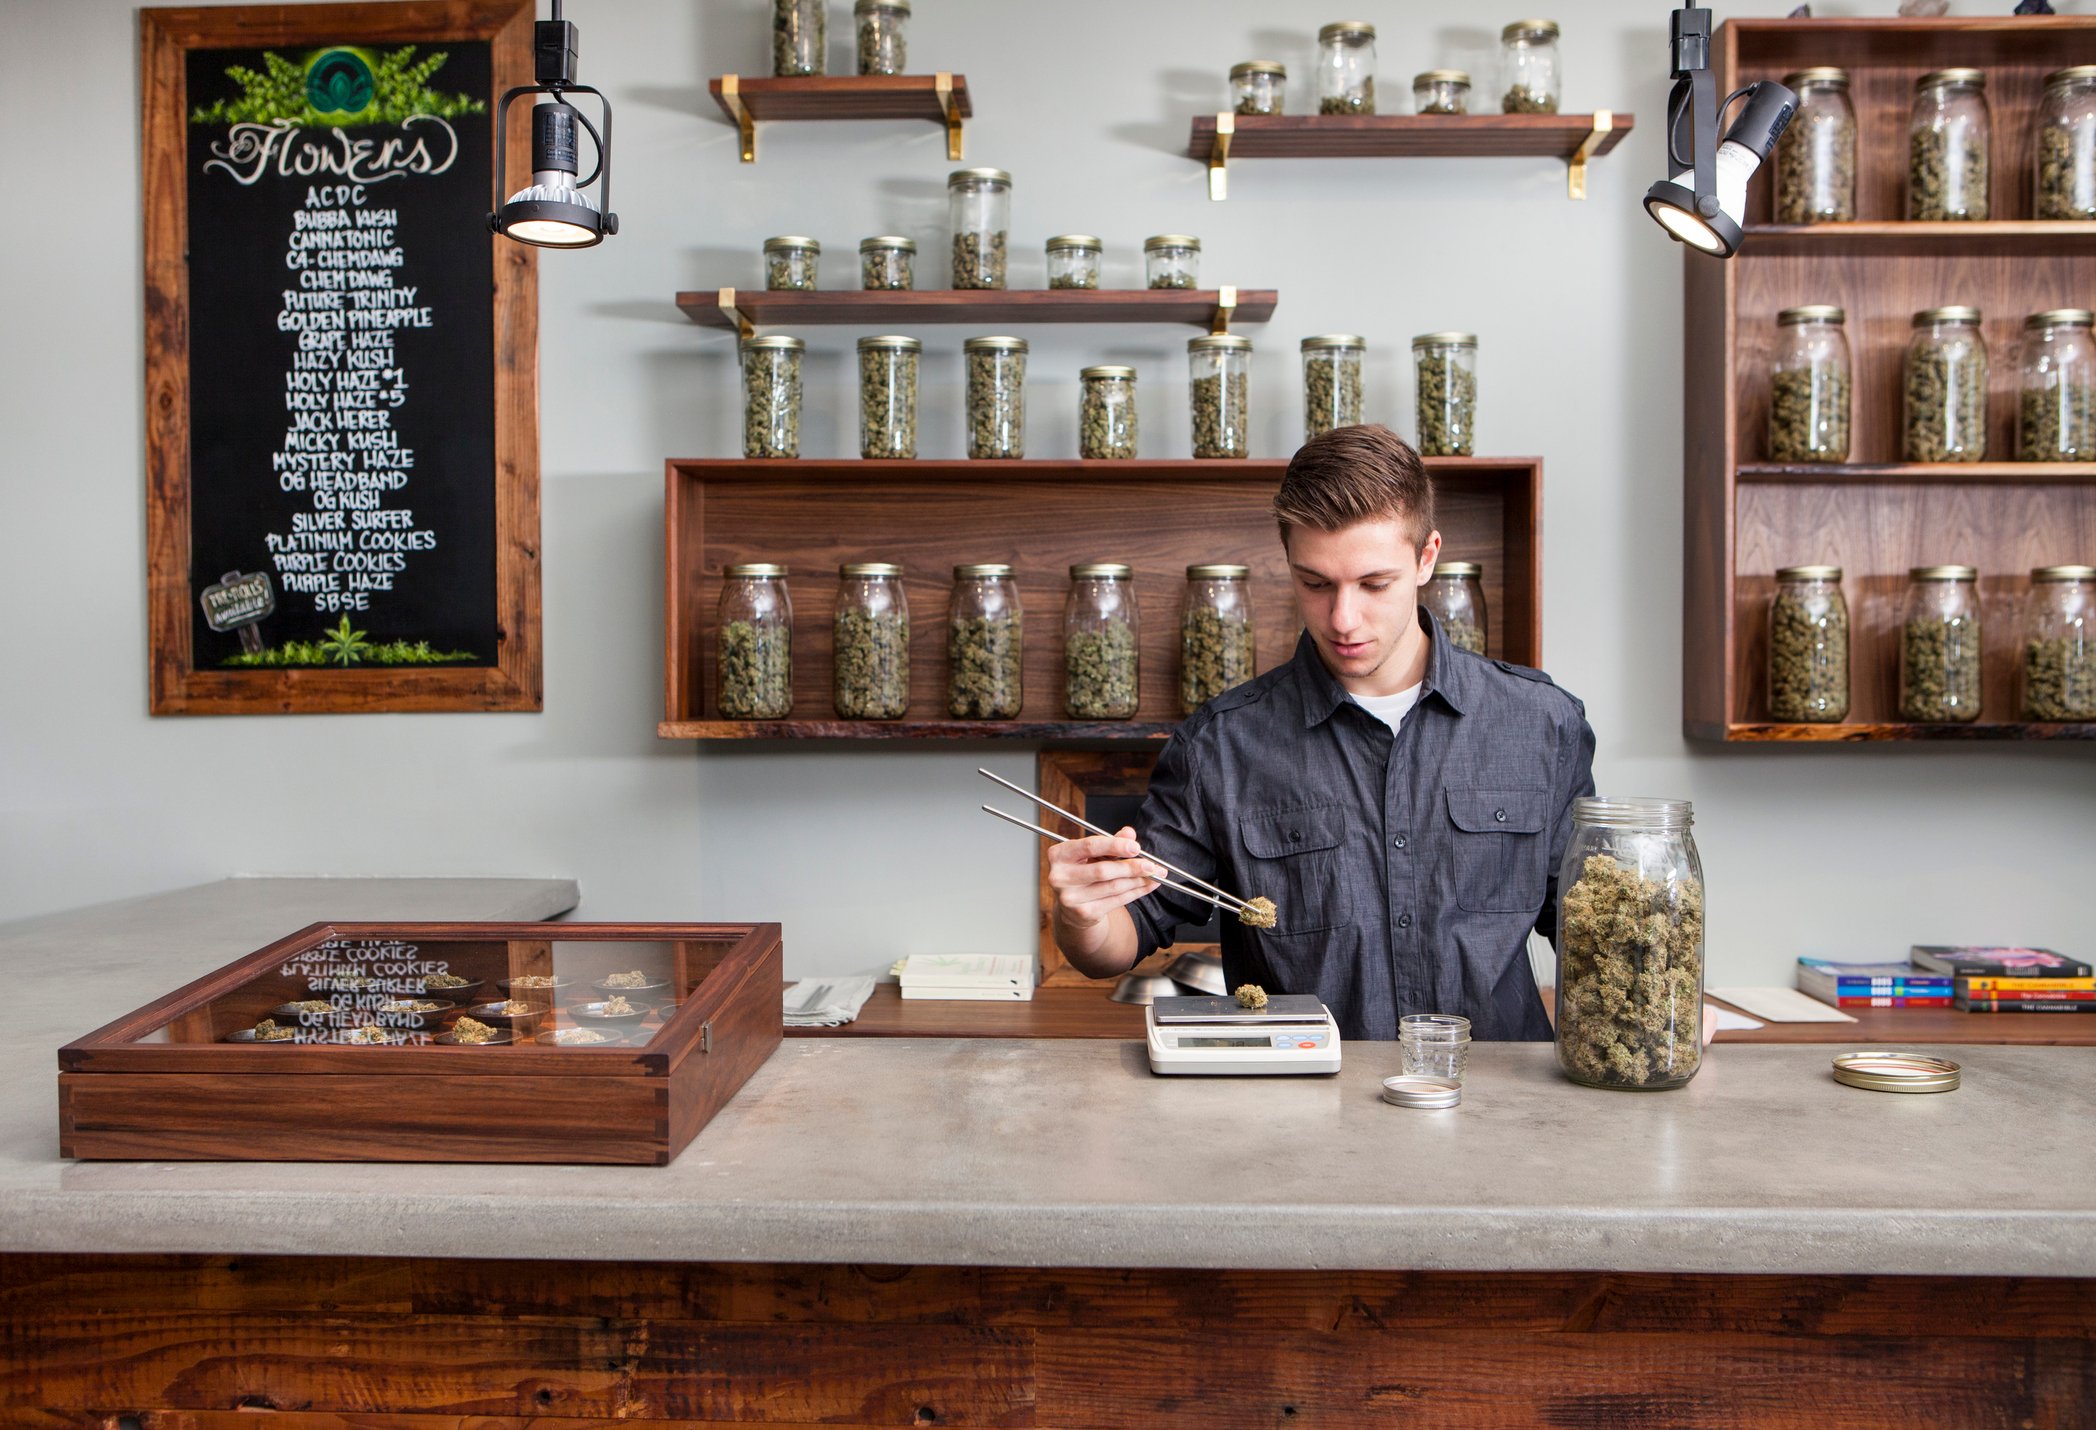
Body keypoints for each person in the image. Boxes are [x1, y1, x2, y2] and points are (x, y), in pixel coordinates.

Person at [1047, 424, 1595, 1042]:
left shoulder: (1541, 723)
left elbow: (1595, 928)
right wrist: (1082, 914)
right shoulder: (1222, 745)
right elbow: (1122, 937)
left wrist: (1667, 1004)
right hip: (1301, 1112)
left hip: (1502, 1109)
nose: (1343, 619)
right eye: (1315, 583)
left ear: (1427, 557)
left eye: (1374, 584)